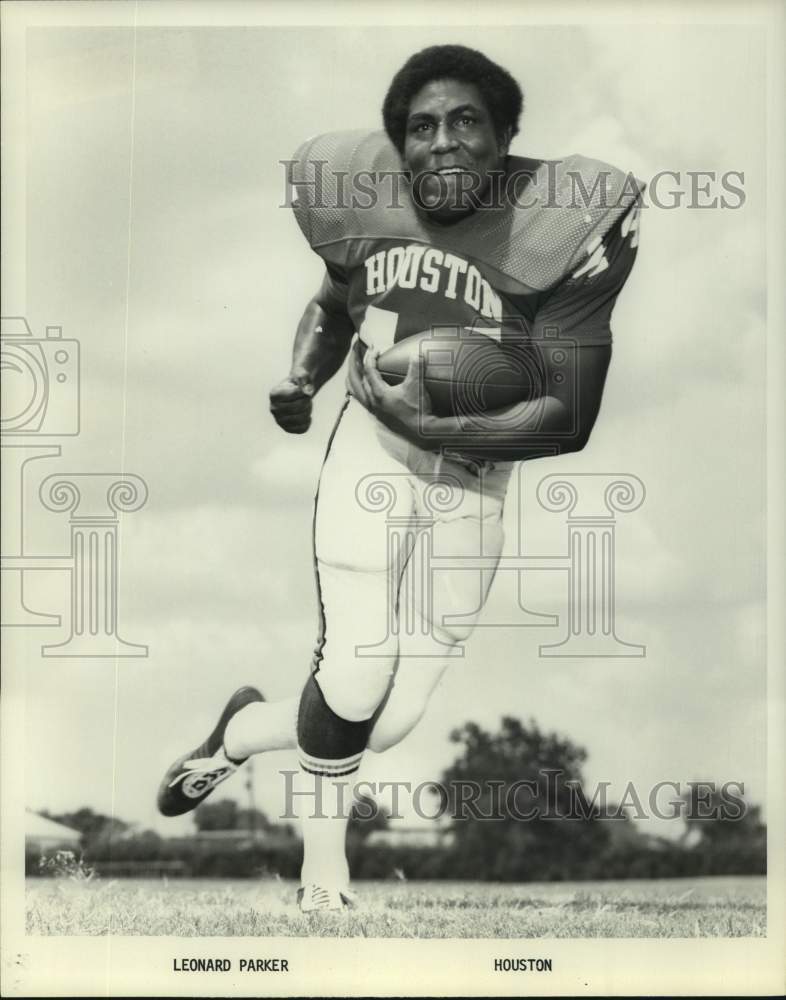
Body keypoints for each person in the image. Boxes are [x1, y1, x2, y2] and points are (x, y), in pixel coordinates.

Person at [157, 44, 642, 911]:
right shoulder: (363, 201)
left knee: (389, 721)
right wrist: (303, 378)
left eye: (465, 122)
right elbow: (331, 304)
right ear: (398, 144)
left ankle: (241, 731)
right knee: (355, 666)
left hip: (481, 465)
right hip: (372, 447)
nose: (442, 143)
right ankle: (323, 880)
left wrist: (436, 424)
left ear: (505, 136)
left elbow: (569, 417)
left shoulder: (565, 224)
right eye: (422, 127)